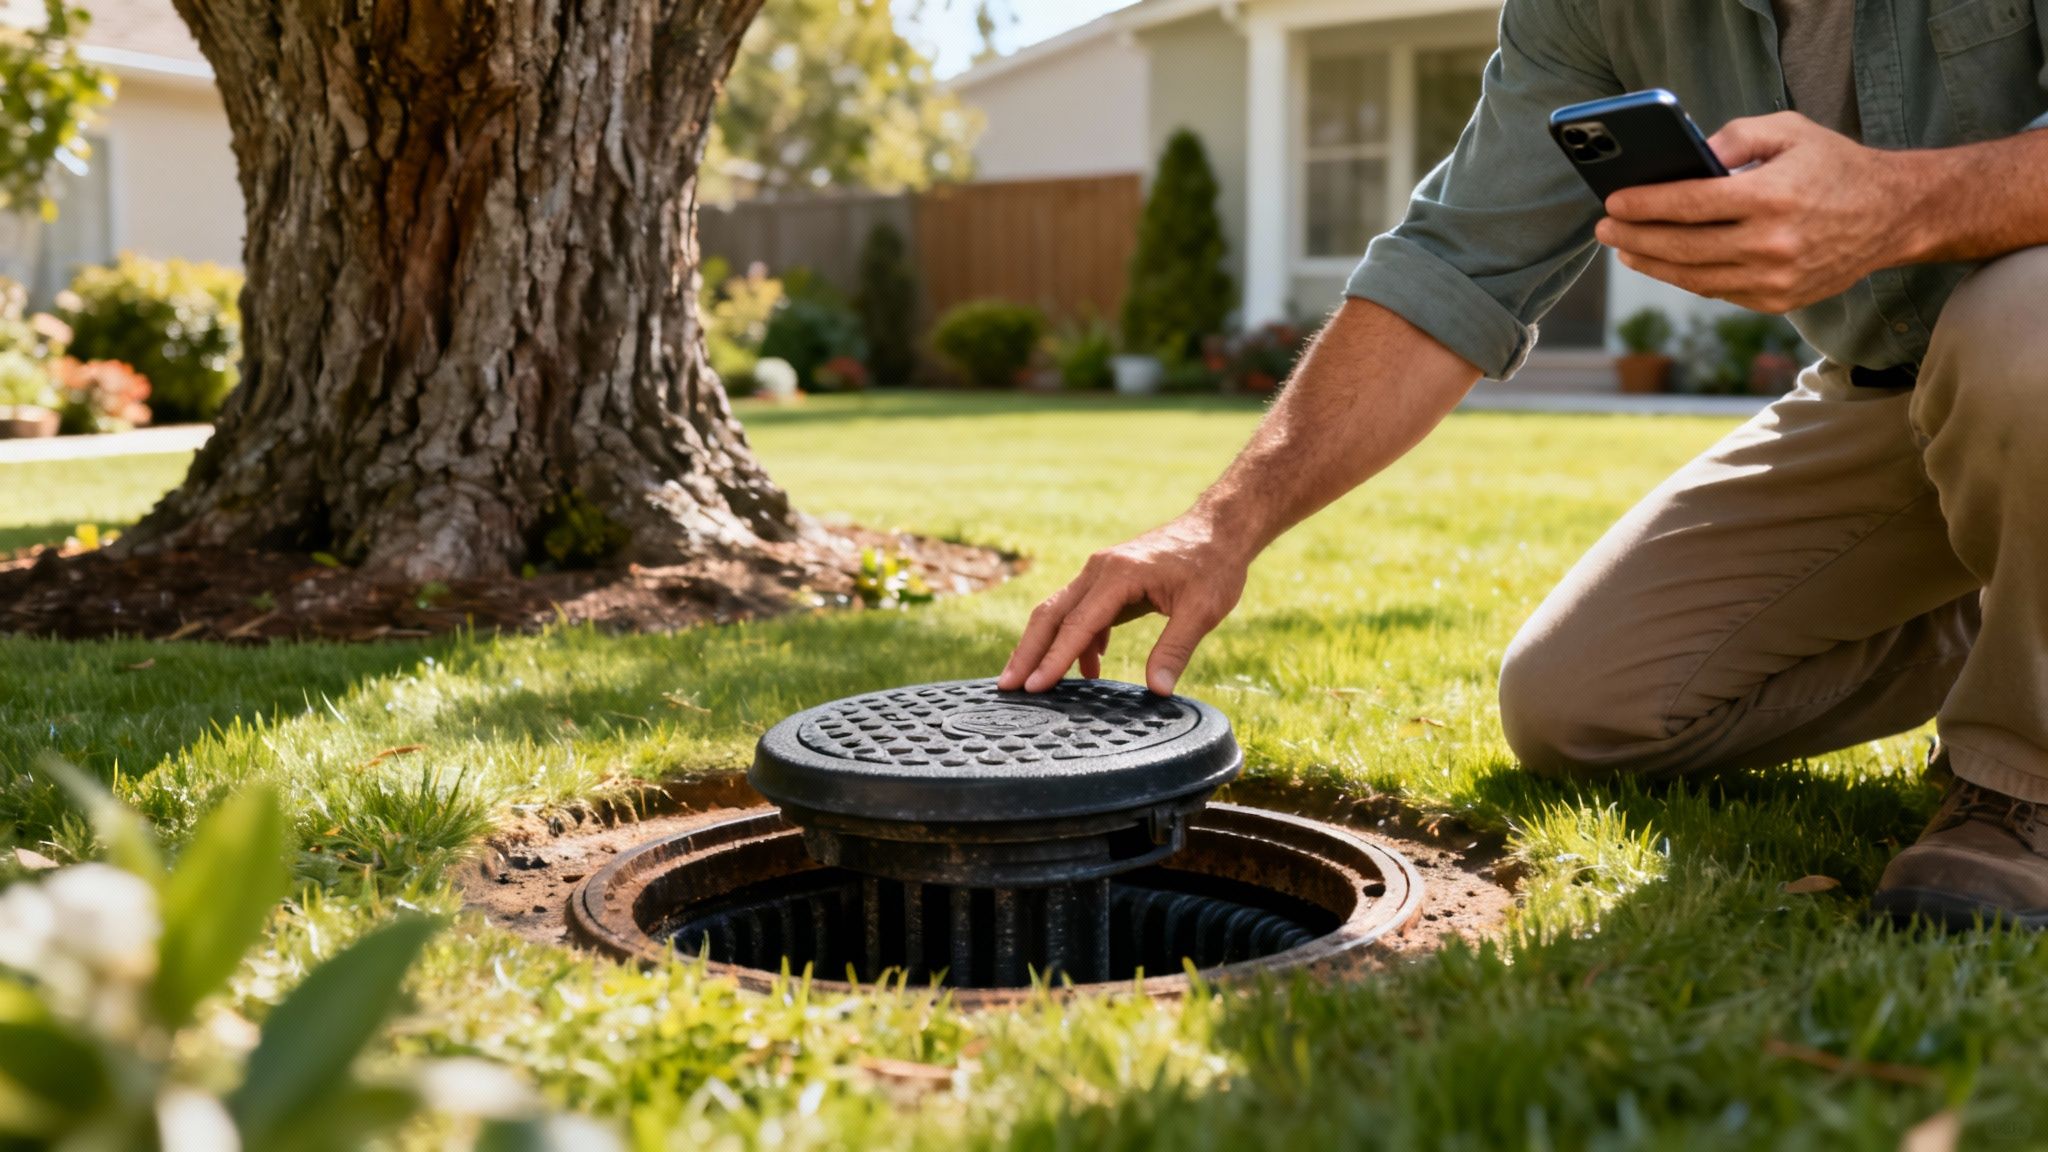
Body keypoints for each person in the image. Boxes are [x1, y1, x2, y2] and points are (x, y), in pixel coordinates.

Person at [997, 0, 2048, 928]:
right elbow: (1455, 264)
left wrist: (1898, 205)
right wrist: (1219, 524)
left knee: (2021, 322)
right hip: (1885, 386)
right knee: (1585, 707)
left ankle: (2023, 787)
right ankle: (2022, 607)